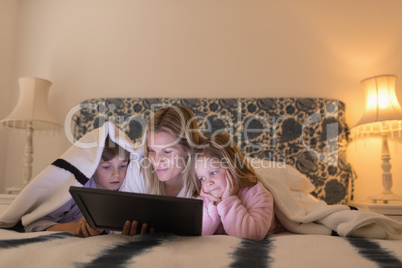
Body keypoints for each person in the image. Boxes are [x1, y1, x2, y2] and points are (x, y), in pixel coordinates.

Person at [25, 136, 130, 237]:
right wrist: (77, 227)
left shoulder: (128, 188)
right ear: (92, 167)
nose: (116, 174)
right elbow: (34, 225)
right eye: (106, 167)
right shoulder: (73, 189)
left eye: (122, 166)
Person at [122, 105, 203, 235]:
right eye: (152, 150)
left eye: (167, 151)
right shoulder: (139, 171)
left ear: (188, 150)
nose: (156, 160)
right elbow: (117, 225)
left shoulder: (207, 178)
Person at [191, 132, 277, 241]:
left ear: (232, 167)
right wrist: (215, 205)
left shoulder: (257, 194)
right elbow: (198, 232)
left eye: (213, 173)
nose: (208, 183)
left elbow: (251, 236)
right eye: (202, 178)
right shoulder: (205, 198)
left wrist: (228, 201)